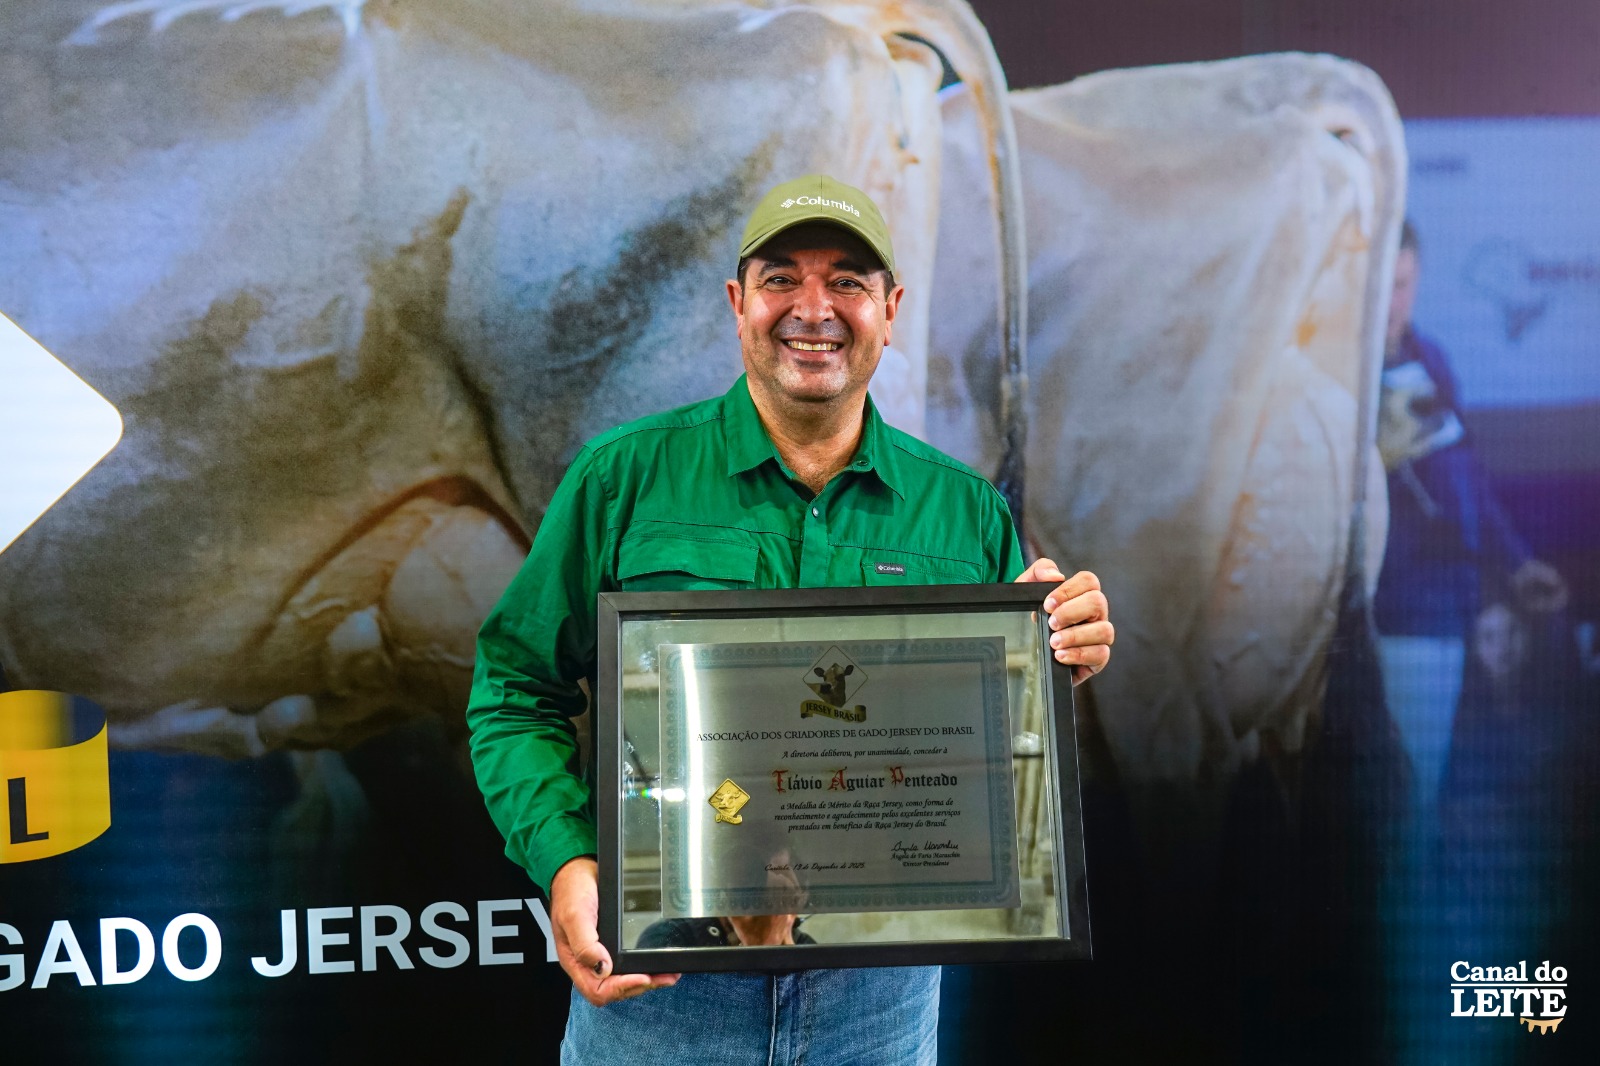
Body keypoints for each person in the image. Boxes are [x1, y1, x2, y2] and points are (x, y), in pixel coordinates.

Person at [466, 174, 1115, 1063]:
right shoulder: (625, 479)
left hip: (878, 1011)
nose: (814, 309)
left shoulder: (963, 512)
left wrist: (1056, 657)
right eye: (781, 279)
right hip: (664, 995)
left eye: (847, 281)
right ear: (739, 303)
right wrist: (568, 863)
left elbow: (992, 747)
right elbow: (515, 690)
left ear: (890, 310)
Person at [1372, 221, 1565, 809]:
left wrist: (1518, 564)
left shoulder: (1431, 358)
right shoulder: (1335, 379)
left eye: (1402, 284)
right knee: (1399, 806)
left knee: (1429, 801)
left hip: (1452, 615)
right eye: (1379, 284)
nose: (1390, 302)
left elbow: (1470, 481)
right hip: (1390, 621)